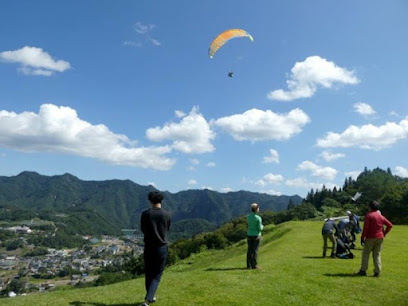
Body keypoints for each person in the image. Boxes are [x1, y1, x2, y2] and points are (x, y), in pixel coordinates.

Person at [140, 191, 171, 306]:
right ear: (161, 200)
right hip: (161, 247)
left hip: (149, 247)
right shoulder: (167, 214)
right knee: (157, 275)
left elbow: (143, 229)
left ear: (150, 200)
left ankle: (150, 297)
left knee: (149, 273)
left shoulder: (146, 214)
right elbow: (167, 228)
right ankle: (148, 300)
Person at [356, 200, 393, 277]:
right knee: (377, 255)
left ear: (370, 207)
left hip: (370, 237)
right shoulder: (380, 216)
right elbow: (390, 225)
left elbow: (366, 228)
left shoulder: (369, 215)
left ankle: (363, 270)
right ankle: (377, 271)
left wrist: (362, 237)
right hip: (380, 237)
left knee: (366, 254)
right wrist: (384, 233)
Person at [247, 203, 264, 269]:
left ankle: (248, 265)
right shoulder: (258, 218)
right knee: (255, 250)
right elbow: (259, 228)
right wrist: (262, 227)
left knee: (249, 250)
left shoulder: (248, 216)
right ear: (256, 209)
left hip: (249, 234)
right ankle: (254, 265)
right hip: (256, 235)